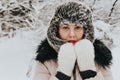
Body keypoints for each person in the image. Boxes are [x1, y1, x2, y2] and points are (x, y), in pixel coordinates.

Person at [33, 1, 113, 80]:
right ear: (56, 30)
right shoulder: (45, 60)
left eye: (77, 27)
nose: (72, 34)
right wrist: (62, 75)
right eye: (65, 27)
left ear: (86, 30)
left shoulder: (100, 58)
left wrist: (89, 74)